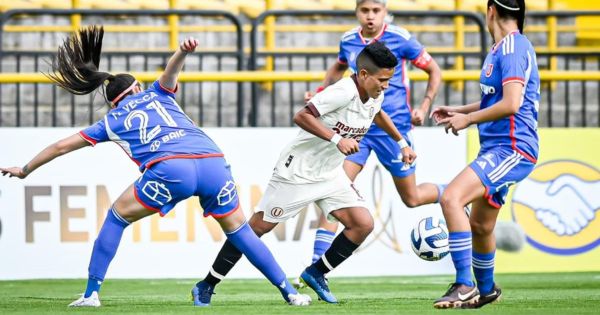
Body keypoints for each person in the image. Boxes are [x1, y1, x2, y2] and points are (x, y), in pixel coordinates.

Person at [0, 26, 310, 308]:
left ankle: (92, 293)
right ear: (137, 88)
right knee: (240, 231)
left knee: (117, 216)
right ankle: (289, 292)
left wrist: (25, 169)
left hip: (172, 169)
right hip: (213, 162)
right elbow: (170, 71)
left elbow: (61, 146)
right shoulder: (159, 94)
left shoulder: (112, 120)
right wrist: (184, 51)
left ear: (113, 102)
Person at [191, 41, 416, 305]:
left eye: (389, 80)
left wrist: (401, 143)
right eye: (382, 79)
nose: (386, 85)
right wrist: (337, 140)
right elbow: (302, 116)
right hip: (298, 171)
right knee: (256, 229)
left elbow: (377, 114)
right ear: (364, 74)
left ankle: (316, 273)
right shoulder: (343, 91)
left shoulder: (374, 92)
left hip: (330, 173)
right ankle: (207, 284)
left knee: (362, 223)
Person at [301, 0, 443, 270]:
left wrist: (423, 106)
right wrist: (321, 91)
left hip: (394, 129)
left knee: (411, 198)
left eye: (376, 11)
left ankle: (451, 195)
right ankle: (316, 267)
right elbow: (339, 67)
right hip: (357, 129)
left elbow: (433, 70)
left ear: (384, 12)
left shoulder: (400, 38)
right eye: (365, 11)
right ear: (357, 12)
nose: (370, 16)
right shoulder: (348, 40)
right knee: (335, 189)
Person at [430, 0, 538, 309]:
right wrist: (458, 111)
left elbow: (512, 104)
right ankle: (487, 289)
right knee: (480, 225)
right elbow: (498, 99)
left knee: (451, 198)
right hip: (497, 147)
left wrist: (468, 120)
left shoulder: (512, 48)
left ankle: (464, 284)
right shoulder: (501, 48)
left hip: (513, 148)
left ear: (490, 10)